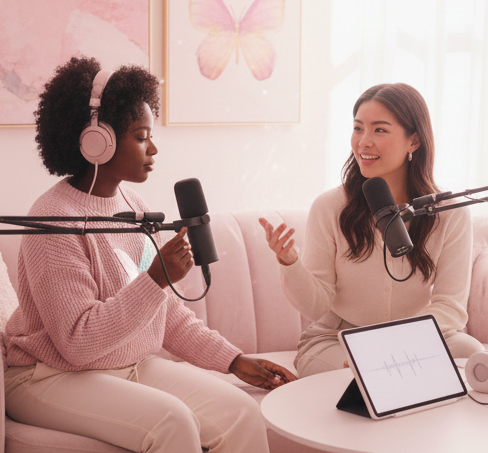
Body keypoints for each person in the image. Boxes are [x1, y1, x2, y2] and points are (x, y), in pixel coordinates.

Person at [3, 57, 295, 453]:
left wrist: (233, 360)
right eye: (141, 136)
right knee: (171, 424)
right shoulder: (53, 221)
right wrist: (155, 278)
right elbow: (77, 342)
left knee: (240, 412)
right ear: (97, 140)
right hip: (46, 375)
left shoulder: (132, 205)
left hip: (125, 366)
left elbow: (164, 313)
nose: (153, 148)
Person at [259, 82, 483, 377]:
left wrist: (391, 346)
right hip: (338, 339)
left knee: (473, 357)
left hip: (416, 335)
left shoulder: (448, 213)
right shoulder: (330, 207)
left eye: (379, 130)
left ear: (413, 141)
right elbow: (316, 305)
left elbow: (449, 307)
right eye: (358, 128)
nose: (364, 142)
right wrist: (290, 262)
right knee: (366, 376)